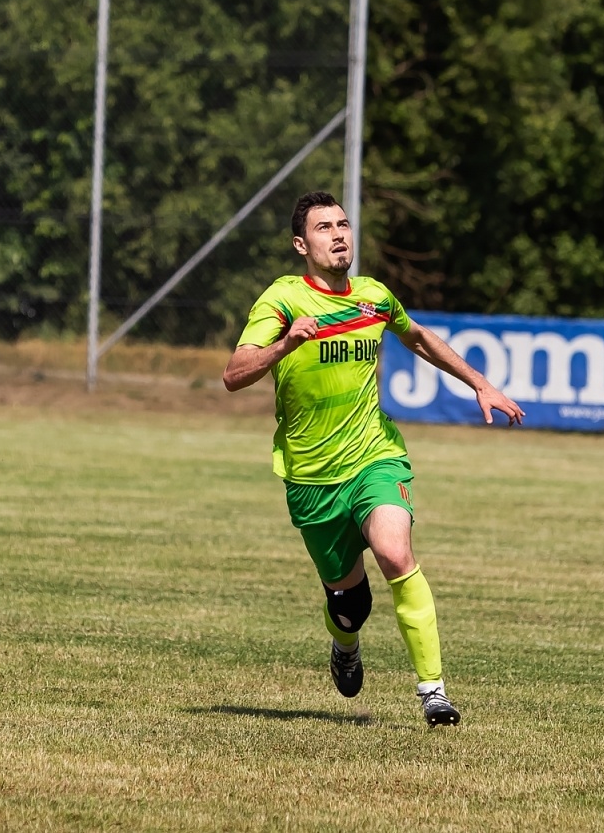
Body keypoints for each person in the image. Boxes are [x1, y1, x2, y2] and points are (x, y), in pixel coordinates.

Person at [224, 190, 523, 726]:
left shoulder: (374, 297)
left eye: (343, 224)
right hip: (311, 476)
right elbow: (235, 374)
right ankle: (345, 645)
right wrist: (285, 345)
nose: (339, 235)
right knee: (350, 605)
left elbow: (420, 338)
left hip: (375, 456)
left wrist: (481, 384)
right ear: (300, 244)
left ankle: (433, 691)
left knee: (394, 553)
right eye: (324, 228)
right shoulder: (283, 300)